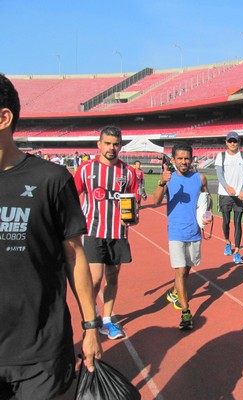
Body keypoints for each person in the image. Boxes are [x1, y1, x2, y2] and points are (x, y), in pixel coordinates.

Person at [0, 73, 102, 399]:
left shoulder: (52, 180)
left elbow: (74, 255)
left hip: (41, 355)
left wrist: (90, 327)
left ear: (4, 118)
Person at [74, 126, 139, 340]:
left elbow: (134, 200)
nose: (112, 148)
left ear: (120, 146)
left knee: (112, 276)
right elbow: (73, 197)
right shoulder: (86, 169)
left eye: (116, 144)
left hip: (118, 233)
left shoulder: (128, 172)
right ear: (99, 144)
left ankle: (108, 320)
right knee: (95, 278)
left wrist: (132, 216)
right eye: (108, 143)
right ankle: (91, 316)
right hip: (93, 230)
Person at [154, 142, 212, 330]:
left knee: (187, 270)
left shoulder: (200, 178)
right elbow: (155, 201)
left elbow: (207, 199)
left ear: (192, 159)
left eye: (187, 158)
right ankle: (186, 312)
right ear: (173, 160)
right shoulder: (168, 178)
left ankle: (173, 292)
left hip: (194, 232)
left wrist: (207, 215)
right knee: (179, 271)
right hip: (176, 232)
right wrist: (162, 182)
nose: (184, 161)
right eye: (180, 158)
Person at [215, 131, 243, 264]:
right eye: (230, 141)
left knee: (237, 223)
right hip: (225, 194)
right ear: (226, 142)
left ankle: (236, 251)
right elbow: (219, 174)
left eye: (234, 141)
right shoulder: (221, 156)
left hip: (239, 195)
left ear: (238, 142)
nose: (232, 143)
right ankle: (227, 242)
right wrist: (227, 187)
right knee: (225, 221)